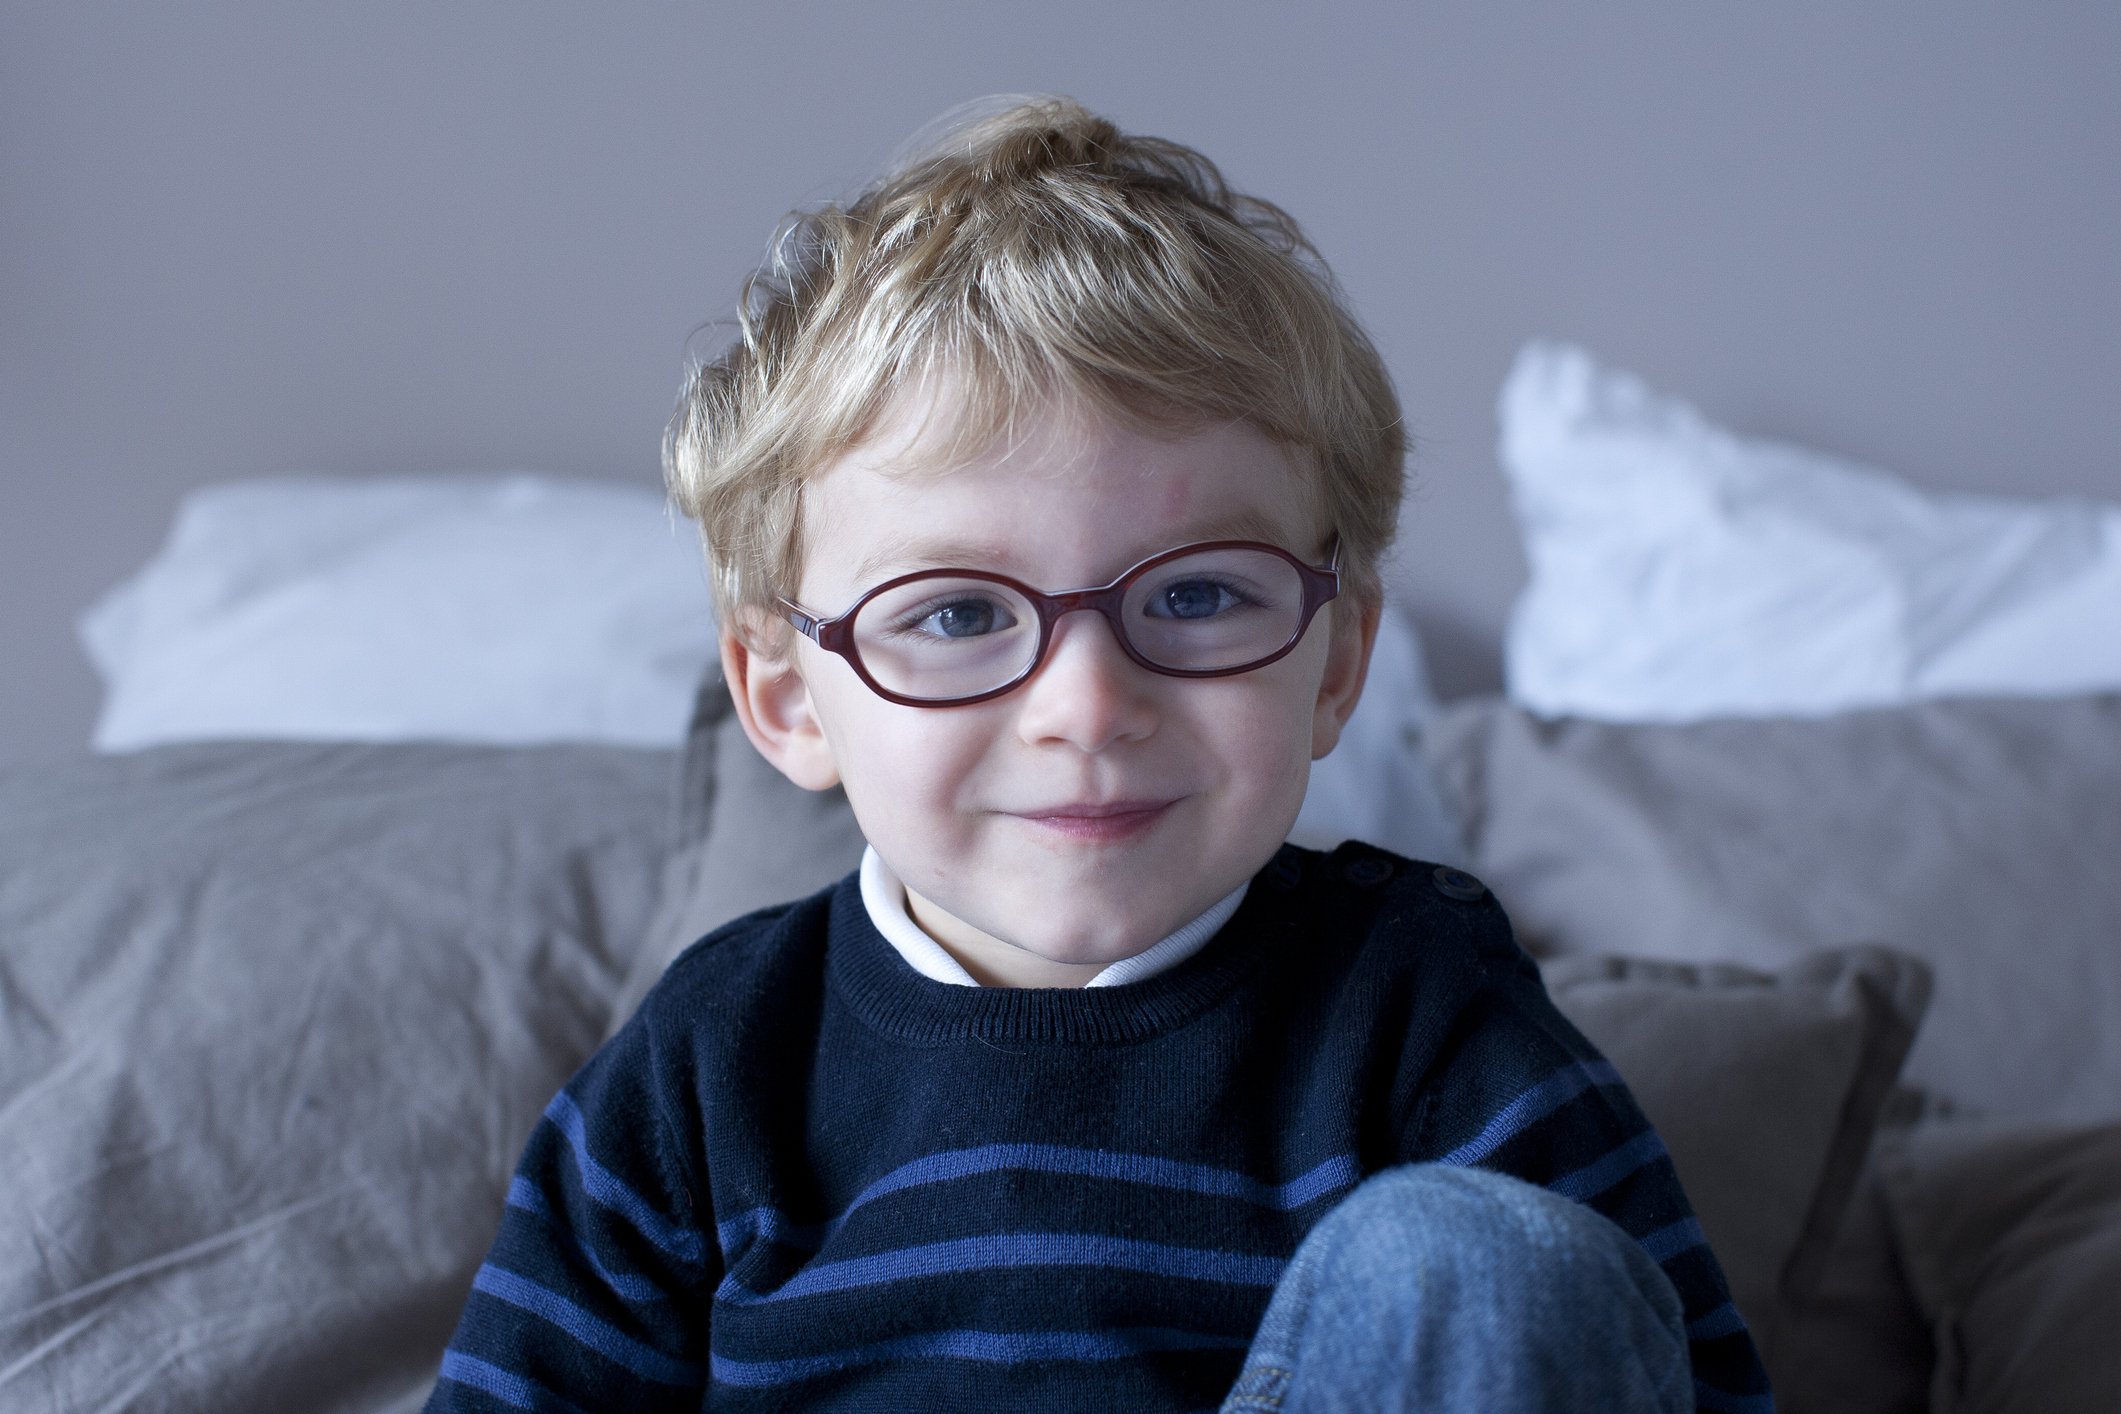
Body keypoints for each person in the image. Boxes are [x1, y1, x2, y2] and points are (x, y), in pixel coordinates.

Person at [427, 95, 1773, 1413]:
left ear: (1336, 662)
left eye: (1193, 594)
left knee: (1475, 1271)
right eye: (953, 613)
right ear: (784, 698)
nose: (1085, 704)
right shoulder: (711, 1061)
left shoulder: (1420, 1009)